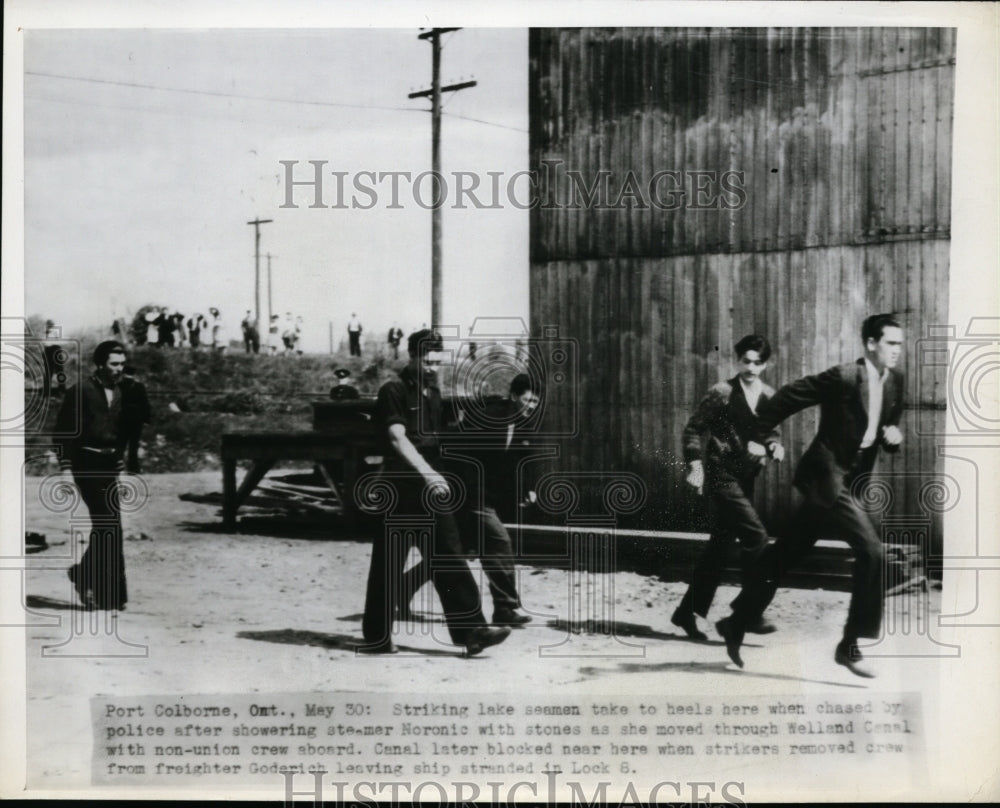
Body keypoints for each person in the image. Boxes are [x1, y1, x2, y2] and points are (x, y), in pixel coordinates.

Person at [716, 314, 905, 679]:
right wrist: (759, 433)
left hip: (851, 480)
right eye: (891, 343)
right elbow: (790, 396)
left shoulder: (896, 381)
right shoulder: (844, 376)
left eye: (900, 343)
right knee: (872, 551)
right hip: (826, 477)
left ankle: (737, 621)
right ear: (871, 344)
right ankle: (849, 646)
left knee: (786, 553)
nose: (897, 350)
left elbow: (885, 426)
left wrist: (892, 434)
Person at [361, 329, 511, 656]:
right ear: (413, 356)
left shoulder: (433, 394)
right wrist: (427, 473)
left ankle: (472, 631)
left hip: (431, 486)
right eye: (427, 361)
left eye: (437, 362)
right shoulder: (393, 390)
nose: (432, 367)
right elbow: (397, 438)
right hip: (401, 485)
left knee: (449, 554)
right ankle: (376, 635)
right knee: (389, 561)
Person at [400, 373, 540, 627]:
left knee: (459, 551)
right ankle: (505, 607)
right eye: (528, 400)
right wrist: (466, 489)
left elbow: (522, 460)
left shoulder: (524, 424)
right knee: (499, 543)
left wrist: (527, 488)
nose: (531, 406)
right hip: (468, 492)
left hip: (489, 496)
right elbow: (457, 451)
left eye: (535, 403)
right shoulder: (487, 417)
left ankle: (403, 587)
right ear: (513, 396)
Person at [670, 335, 783, 641]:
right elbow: (693, 430)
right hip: (722, 477)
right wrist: (695, 466)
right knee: (757, 537)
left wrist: (773, 446)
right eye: (746, 361)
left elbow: (771, 432)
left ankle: (686, 613)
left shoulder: (768, 396)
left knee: (719, 548)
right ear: (737, 361)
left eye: (757, 362)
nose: (751, 368)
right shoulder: (722, 392)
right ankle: (750, 611)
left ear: (766, 364)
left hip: (746, 479)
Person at [53, 341, 142, 611]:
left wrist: (120, 467)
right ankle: (84, 576)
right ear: (101, 364)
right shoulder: (80, 391)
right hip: (85, 463)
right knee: (107, 524)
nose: (119, 369)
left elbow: (121, 435)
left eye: (122, 364)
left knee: (112, 526)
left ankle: (106, 593)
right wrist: (66, 469)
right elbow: (62, 433)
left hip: (108, 465)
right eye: (114, 364)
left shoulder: (122, 393)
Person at [119, 364, 152, 473]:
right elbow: (145, 403)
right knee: (134, 444)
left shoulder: (118, 386)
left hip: (122, 418)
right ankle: (133, 468)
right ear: (134, 374)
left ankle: (116, 467)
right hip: (137, 419)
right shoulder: (139, 386)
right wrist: (147, 419)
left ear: (123, 374)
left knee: (120, 444)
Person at [42, 320, 67, 398]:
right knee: (48, 371)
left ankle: (62, 390)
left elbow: (62, 341)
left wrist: (53, 342)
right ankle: (46, 392)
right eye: (47, 324)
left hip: (56, 349)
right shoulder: (45, 332)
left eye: (50, 324)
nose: (48, 326)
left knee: (60, 370)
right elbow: (44, 343)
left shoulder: (56, 330)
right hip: (47, 351)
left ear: (52, 325)